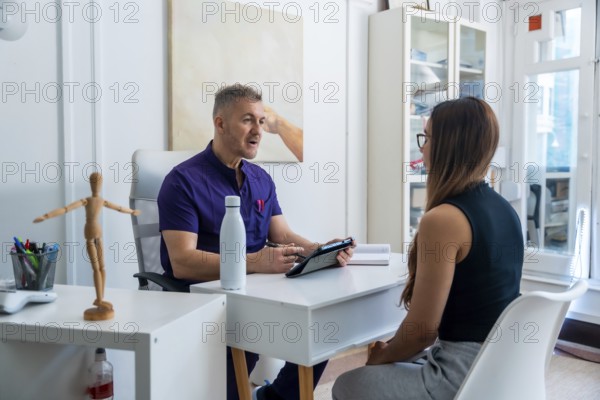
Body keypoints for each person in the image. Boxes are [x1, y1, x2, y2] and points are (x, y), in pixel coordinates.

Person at [157, 83, 353, 400]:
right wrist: (256, 262)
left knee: (321, 327)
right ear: (220, 123)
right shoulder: (182, 181)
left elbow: (283, 235)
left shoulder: (261, 178)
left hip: (257, 294)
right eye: (247, 119)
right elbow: (182, 262)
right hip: (204, 302)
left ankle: (274, 397)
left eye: (261, 121)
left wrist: (321, 250)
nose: (258, 130)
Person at [332, 97, 524, 399]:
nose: (422, 147)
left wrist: (382, 356)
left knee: (347, 384)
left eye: (428, 137)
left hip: (460, 375)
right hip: (503, 366)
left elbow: (422, 331)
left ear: (449, 144)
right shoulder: (506, 209)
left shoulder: (444, 219)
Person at [33, 172, 141, 321]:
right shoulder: (87, 201)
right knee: (96, 268)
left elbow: (120, 208)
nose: (96, 185)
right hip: (90, 233)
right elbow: (66, 209)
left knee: (102, 267)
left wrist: (132, 211)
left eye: (98, 182)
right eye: (94, 182)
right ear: (91, 184)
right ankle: (99, 298)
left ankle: (100, 299)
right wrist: (45, 216)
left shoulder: (100, 200)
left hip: (98, 234)